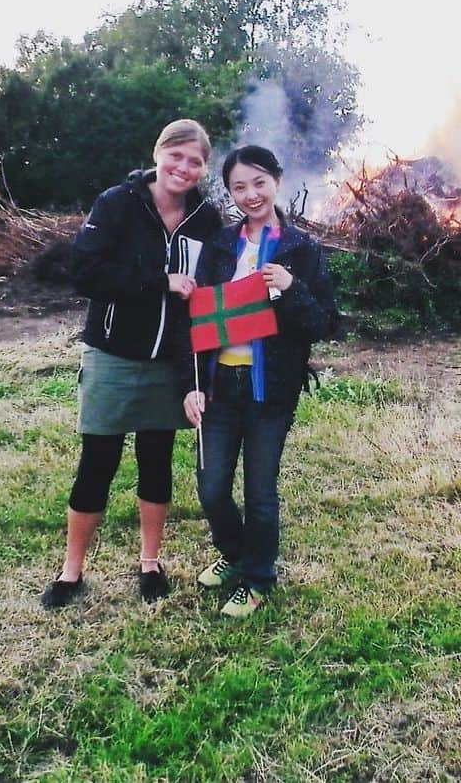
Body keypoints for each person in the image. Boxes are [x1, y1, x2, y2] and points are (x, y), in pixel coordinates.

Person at [41, 119, 223, 608]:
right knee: (97, 463)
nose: (183, 168)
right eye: (176, 155)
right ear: (158, 152)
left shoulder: (206, 218)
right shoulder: (117, 204)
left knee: (157, 463)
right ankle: (71, 571)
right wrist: (159, 281)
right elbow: (85, 272)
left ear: (204, 168)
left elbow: (212, 292)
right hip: (112, 355)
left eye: (195, 161)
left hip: (169, 362)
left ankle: (150, 563)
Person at [180, 144, 339, 618]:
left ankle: (257, 578)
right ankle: (234, 553)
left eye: (258, 183)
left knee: (260, 492)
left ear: (276, 181)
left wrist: (290, 289)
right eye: (238, 187)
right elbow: (198, 320)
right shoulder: (221, 247)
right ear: (229, 194)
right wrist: (190, 384)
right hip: (219, 387)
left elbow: (325, 324)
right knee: (211, 488)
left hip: (271, 390)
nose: (250, 195)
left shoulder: (301, 249)